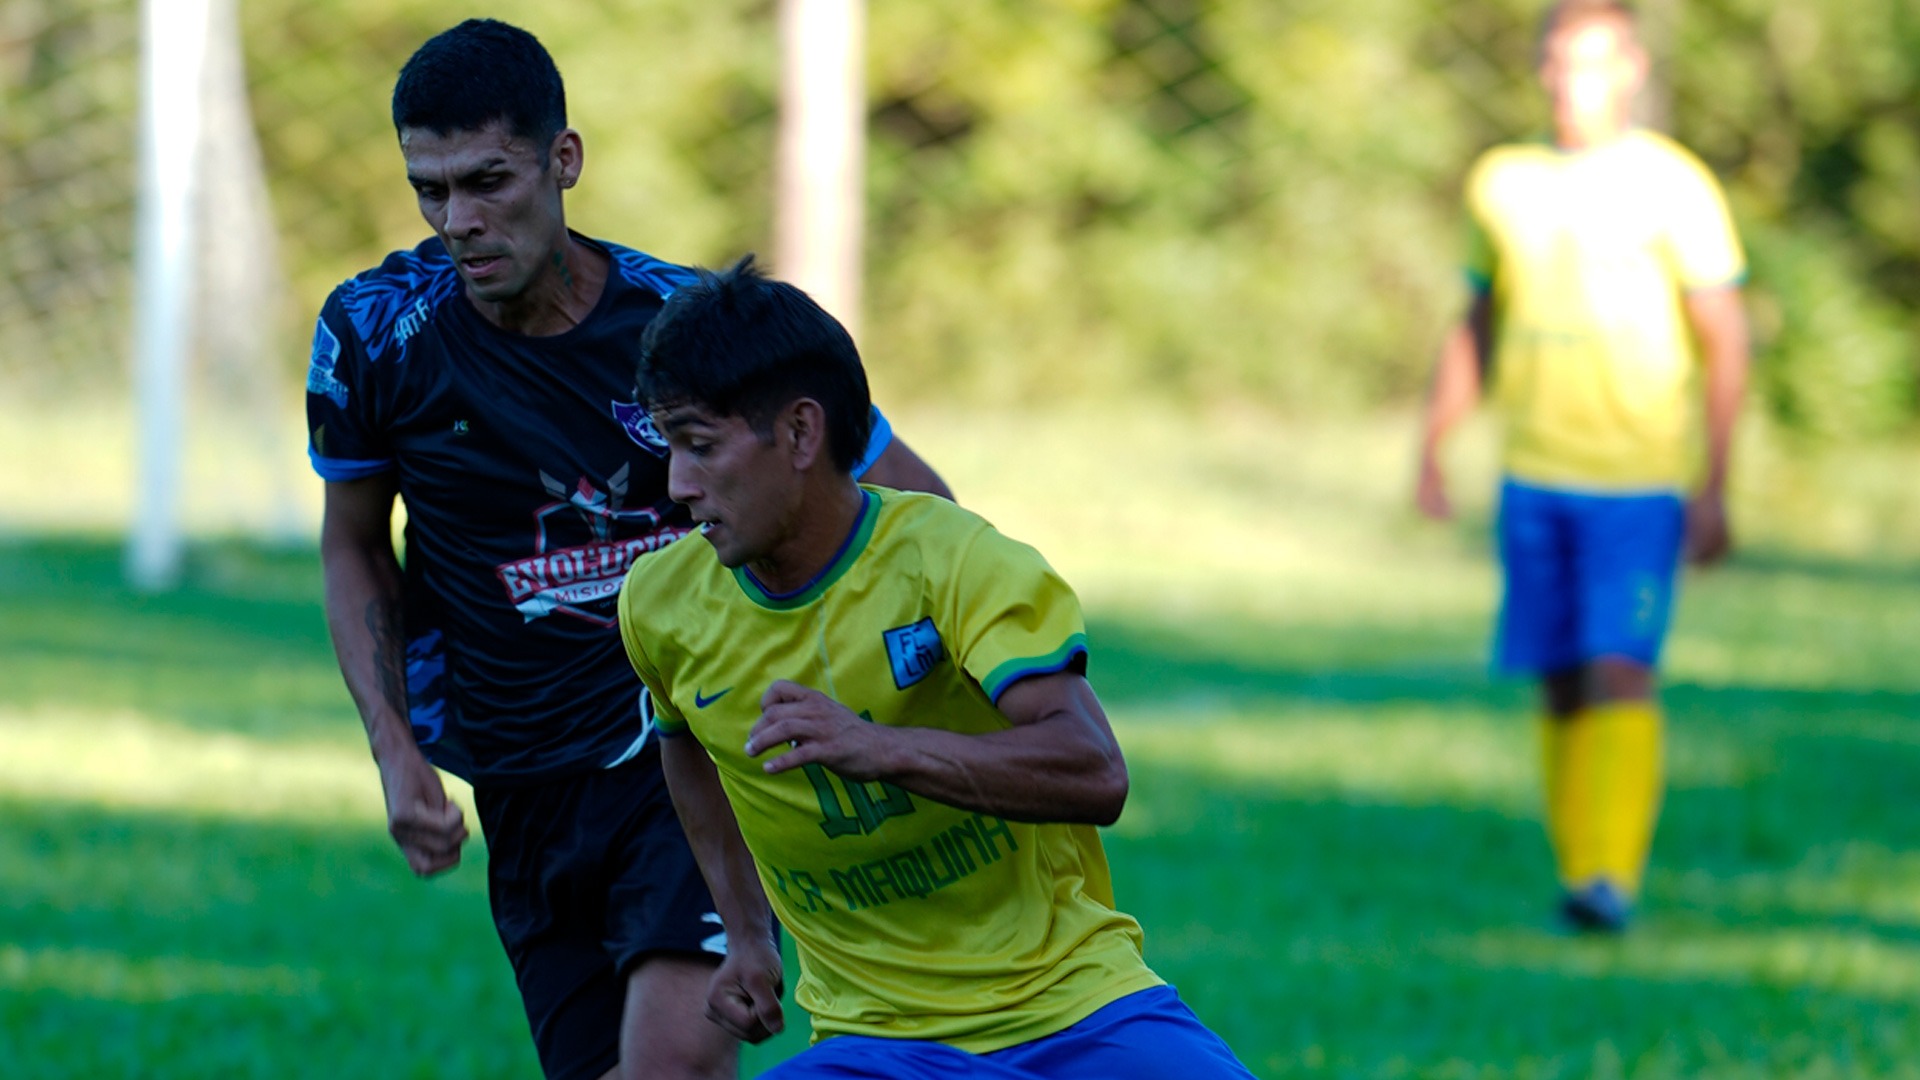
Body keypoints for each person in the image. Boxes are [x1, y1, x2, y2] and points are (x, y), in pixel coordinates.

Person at [306, 20, 949, 1080]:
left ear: (564, 162)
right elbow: (354, 547)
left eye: (488, 181)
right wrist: (396, 749)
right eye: (430, 190)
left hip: (689, 751)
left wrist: (904, 679)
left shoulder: (685, 324)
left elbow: (909, 499)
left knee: (672, 1070)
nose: (458, 221)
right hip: (517, 772)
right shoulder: (375, 335)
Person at [615, 256, 1255, 1079]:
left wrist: (883, 749)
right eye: (669, 446)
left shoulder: (957, 561)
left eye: (700, 447)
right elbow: (687, 749)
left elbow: (1095, 770)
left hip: (1076, 1008)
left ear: (802, 433)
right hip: (876, 1046)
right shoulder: (660, 606)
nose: (678, 484)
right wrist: (744, 936)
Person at [1415, 0, 1750, 932]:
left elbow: (1724, 337)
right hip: (1535, 476)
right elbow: (1475, 324)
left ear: (1633, 69)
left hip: (1638, 481)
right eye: (1559, 64)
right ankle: (1577, 873)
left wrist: (1716, 479)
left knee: (1620, 667)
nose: (1574, 83)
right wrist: (1433, 444)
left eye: (1594, 64)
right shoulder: (1504, 181)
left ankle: (1614, 876)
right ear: (1539, 71)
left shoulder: (1674, 186)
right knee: (1560, 676)